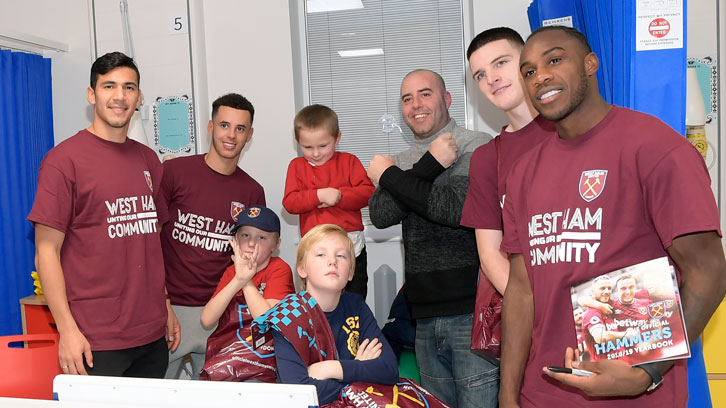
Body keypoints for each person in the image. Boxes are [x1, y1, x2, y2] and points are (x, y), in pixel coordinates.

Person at [499, 26, 726, 407]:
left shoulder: (655, 148)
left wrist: (645, 374)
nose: (540, 77)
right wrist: (507, 396)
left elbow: (710, 271)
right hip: (544, 393)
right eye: (529, 71)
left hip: (633, 393)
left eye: (555, 60)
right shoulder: (523, 173)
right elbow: (521, 291)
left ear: (590, 64)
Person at [29, 51, 178, 377]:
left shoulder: (149, 160)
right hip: (94, 338)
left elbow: (152, 245)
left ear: (139, 98)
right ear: (91, 94)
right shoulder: (63, 161)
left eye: (128, 87)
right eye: (109, 86)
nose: (119, 96)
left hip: (152, 335)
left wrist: (165, 304)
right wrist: (67, 329)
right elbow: (46, 252)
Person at [368, 69, 495, 408]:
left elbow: (456, 209)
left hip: (470, 312)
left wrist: (394, 177)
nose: (415, 105)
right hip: (422, 314)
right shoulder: (404, 161)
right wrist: (430, 165)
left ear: (447, 99)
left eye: (425, 94)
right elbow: (380, 216)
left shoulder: (477, 145)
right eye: (407, 99)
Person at [160, 93, 265, 379]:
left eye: (240, 129)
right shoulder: (173, 172)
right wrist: (162, 301)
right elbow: (148, 241)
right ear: (210, 127)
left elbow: (253, 258)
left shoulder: (252, 192)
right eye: (224, 125)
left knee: (214, 397)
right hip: (170, 310)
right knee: (156, 395)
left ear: (249, 135)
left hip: (219, 310)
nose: (231, 135)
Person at [461, 27, 556, 295]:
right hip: (533, 308)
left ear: (527, 62)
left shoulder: (572, 132)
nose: (491, 78)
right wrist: (535, 312)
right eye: (480, 75)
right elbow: (491, 255)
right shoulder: (487, 158)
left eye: (500, 63)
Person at [258, 224, 399, 404]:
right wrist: (359, 369)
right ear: (302, 269)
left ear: (351, 272)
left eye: (341, 256)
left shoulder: (356, 306)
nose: (332, 261)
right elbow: (299, 393)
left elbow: (389, 369)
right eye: (321, 254)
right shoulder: (287, 316)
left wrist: (331, 369)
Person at [282, 104, 374, 299]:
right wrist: (317, 196)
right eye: (307, 147)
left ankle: (353, 329)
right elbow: (290, 202)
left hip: (350, 243)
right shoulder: (296, 166)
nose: (315, 153)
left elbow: (368, 193)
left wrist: (339, 196)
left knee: (354, 297)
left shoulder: (349, 161)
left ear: (337, 138)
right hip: (315, 245)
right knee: (317, 301)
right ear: (297, 142)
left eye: (323, 146)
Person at [199, 206, 294, 381]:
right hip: (231, 357)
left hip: (266, 363)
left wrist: (246, 280)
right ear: (235, 239)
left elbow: (265, 321)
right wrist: (237, 279)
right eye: (245, 235)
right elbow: (207, 319)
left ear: (276, 244)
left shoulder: (279, 269)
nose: (251, 243)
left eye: (262, 237)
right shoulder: (231, 272)